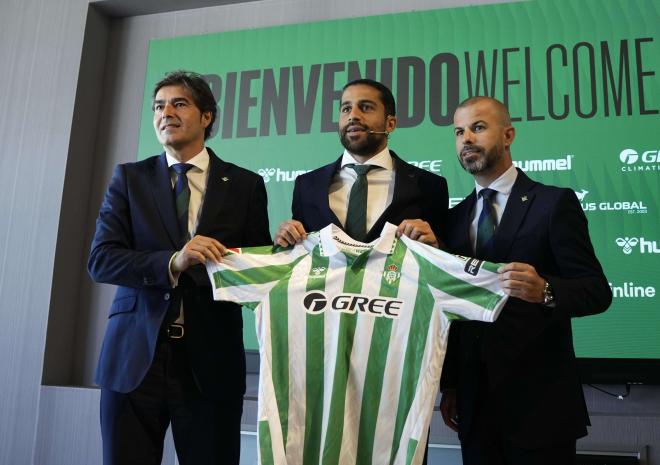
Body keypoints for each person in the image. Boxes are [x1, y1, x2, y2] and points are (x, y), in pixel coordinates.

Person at [88, 70, 271, 465]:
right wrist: (174, 261)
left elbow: (256, 269)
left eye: (179, 103)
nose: (165, 112)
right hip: (134, 359)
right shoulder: (129, 178)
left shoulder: (245, 185)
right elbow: (101, 259)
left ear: (207, 117)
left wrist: (283, 251)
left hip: (210, 362)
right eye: (158, 106)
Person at [438, 96, 612, 465]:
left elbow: (597, 291)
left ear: (508, 135)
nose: (466, 138)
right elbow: (452, 313)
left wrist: (545, 290)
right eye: (459, 131)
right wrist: (451, 384)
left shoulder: (552, 204)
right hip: (475, 406)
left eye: (478, 127)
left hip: (541, 408)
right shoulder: (452, 220)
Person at [274, 78, 448, 249]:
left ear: (390, 124)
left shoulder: (430, 186)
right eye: (346, 109)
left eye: (365, 107)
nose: (353, 116)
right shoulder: (307, 185)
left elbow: (445, 258)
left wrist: (437, 245)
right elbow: (298, 255)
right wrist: (284, 242)